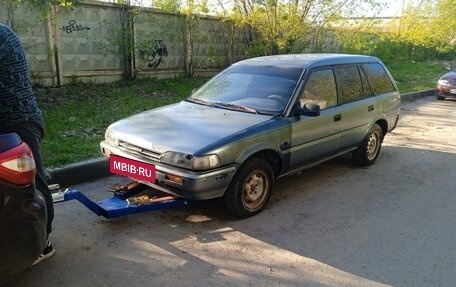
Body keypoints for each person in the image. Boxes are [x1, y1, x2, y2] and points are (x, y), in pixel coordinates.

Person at [0, 23, 55, 265]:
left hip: (20, 122)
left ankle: (45, 244)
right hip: (8, 122)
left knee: (34, 184)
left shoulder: (1, 34)